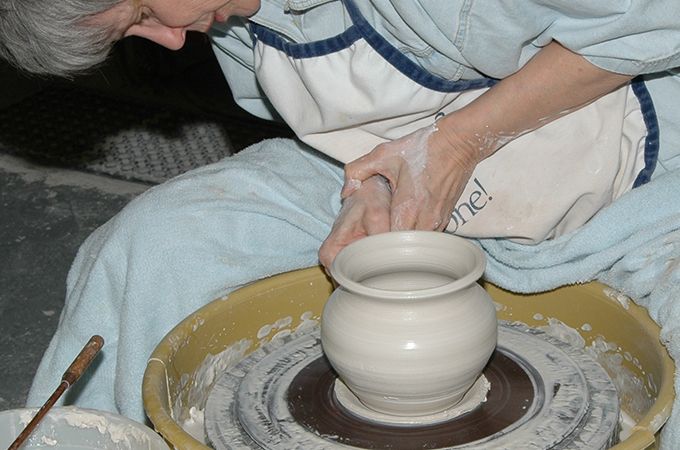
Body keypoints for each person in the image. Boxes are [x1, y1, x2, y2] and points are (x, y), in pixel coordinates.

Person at [2, 0, 680, 447]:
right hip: (406, 169)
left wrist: (459, 144)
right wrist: (371, 183)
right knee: (155, 246)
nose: (170, 39)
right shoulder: (223, 17)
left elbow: (655, 15)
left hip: (631, 182)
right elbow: (372, 124)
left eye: (146, 10)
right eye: (136, 31)